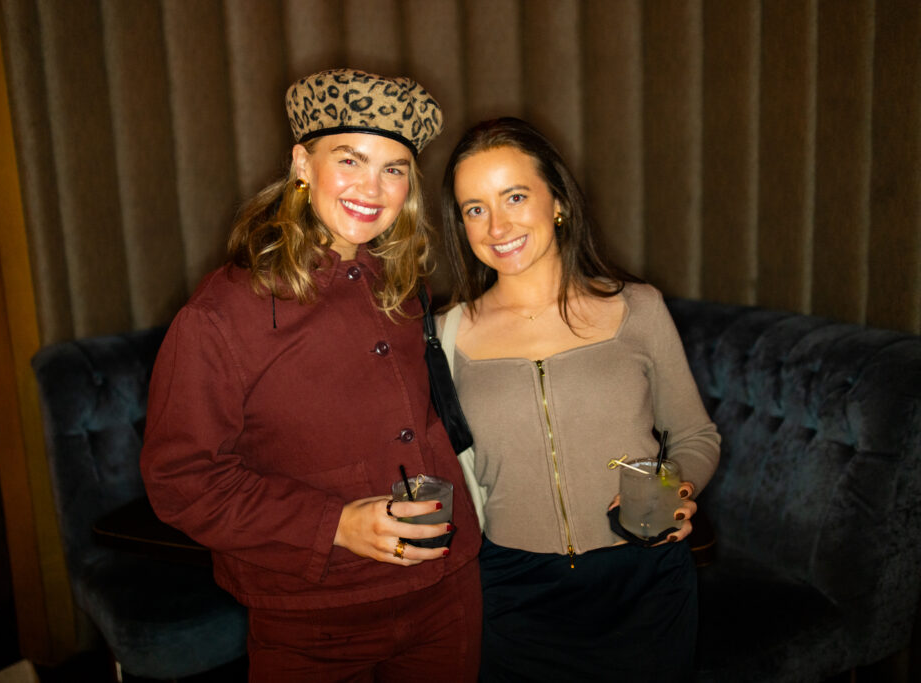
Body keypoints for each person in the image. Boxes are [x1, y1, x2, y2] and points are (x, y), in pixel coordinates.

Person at [140, 69, 482, 682]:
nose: (372, 188)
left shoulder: (403, 284)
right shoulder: (222, 315)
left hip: (444, 591)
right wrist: (336, 525)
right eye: (349, 159)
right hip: (313, 620)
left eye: (394, 168)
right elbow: (181, 481)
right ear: (303, 164)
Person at [437, 117, 721, 682]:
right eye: (475, 208)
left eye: (515, 197)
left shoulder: (637, 308)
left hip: (645, 582)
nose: (497, 226)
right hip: (514, 591)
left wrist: (678, 492)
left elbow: (695, 436)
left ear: (559, 201)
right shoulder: (447, 334)